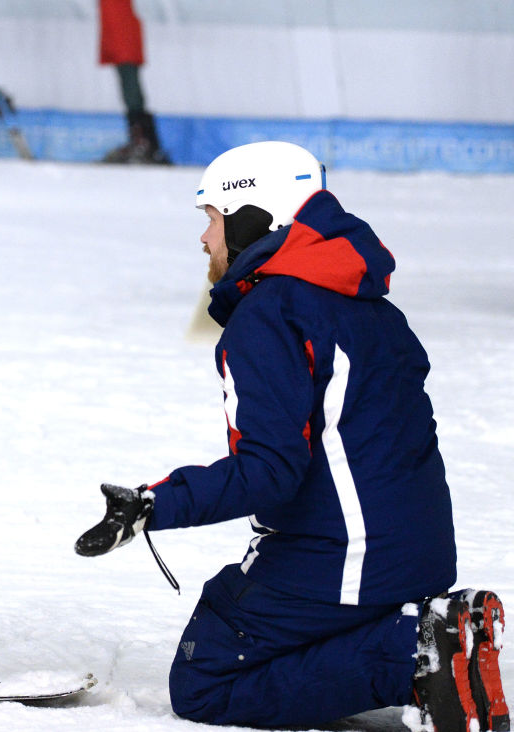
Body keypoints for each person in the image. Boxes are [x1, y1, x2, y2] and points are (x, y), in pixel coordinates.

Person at [75, 141, 508, 730]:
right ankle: (423, 631)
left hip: (344, 557)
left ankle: (415, 650)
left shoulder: (269, 316)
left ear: (253, 217)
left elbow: (269, 471)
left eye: (212, 220)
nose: (204, 239)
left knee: (206, 678)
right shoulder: (368, 305)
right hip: (419, 549)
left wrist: (155, 504)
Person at [98, 0, 169, 165]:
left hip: (123, 40)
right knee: (129, 90)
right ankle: (143, 141)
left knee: (131, 91)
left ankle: (143, 141)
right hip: (119, 39)